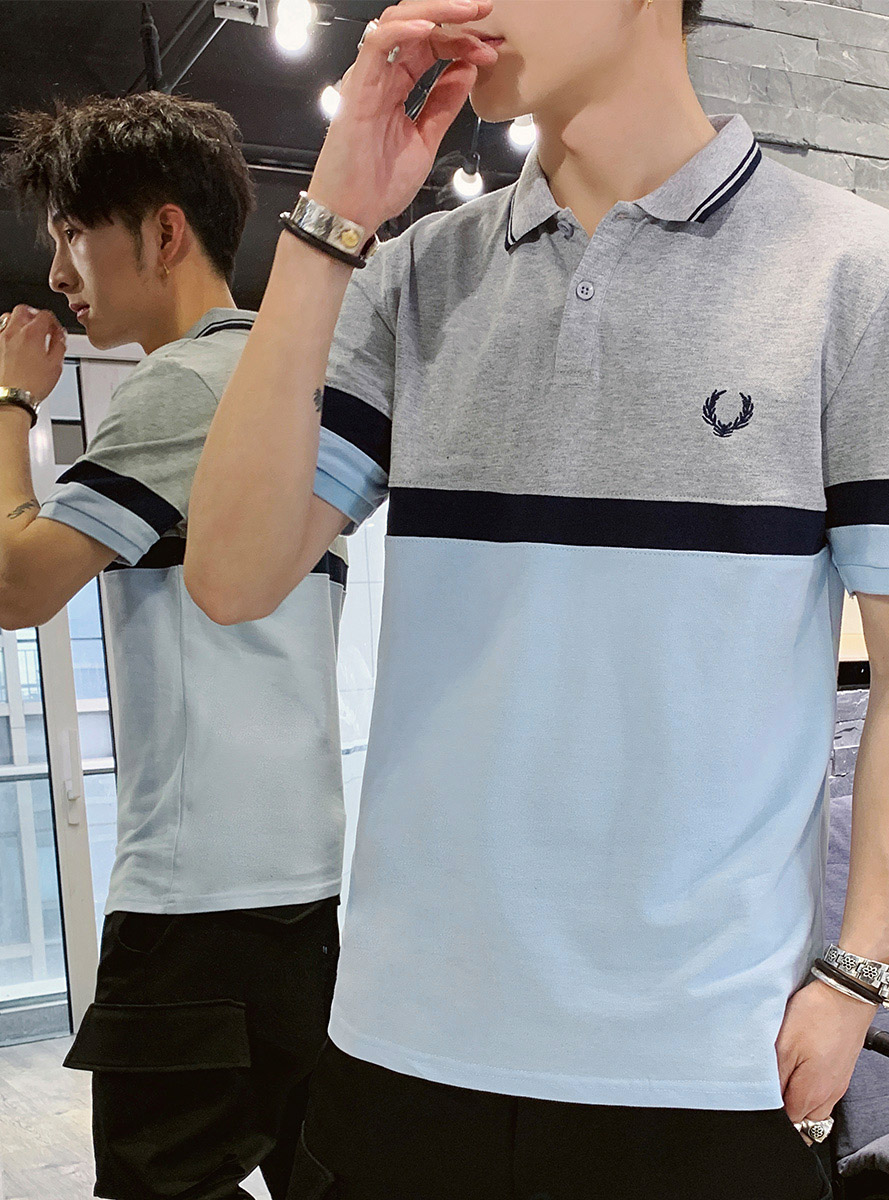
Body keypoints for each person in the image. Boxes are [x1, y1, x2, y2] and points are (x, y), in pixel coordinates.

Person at [184, 0, 889, 1197]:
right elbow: (230, 574)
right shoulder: (415, 276)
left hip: (701, 1062)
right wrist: (332, 221)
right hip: (403, 1042)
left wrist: (857, 975)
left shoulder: (856, 272)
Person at [0, 92, 348, 1200]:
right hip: (307, 898)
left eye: (72, 233)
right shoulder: (295, 383)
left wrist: (11, 402)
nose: (59, 270)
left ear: (162, 232)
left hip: (198, 909)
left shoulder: (185, 384)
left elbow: (14, 585)